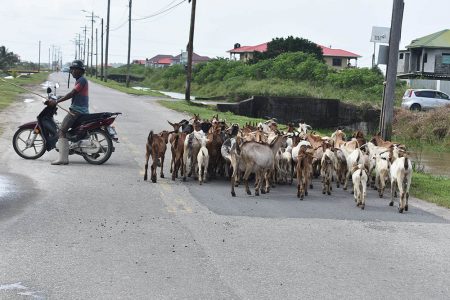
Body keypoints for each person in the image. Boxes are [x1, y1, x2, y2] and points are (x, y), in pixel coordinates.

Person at [48, 60, 89, 165]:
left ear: (80, 71)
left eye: (75, 69)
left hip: (77, 111)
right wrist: (59, 97)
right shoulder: (80, 80)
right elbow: (74, 94)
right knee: (69, 131)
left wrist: (57, 101)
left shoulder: (82, 80)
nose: (73, 72)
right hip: (80, 110)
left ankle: (63, 159)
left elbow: (72, 93)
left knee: (61, 131)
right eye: (72, 70)